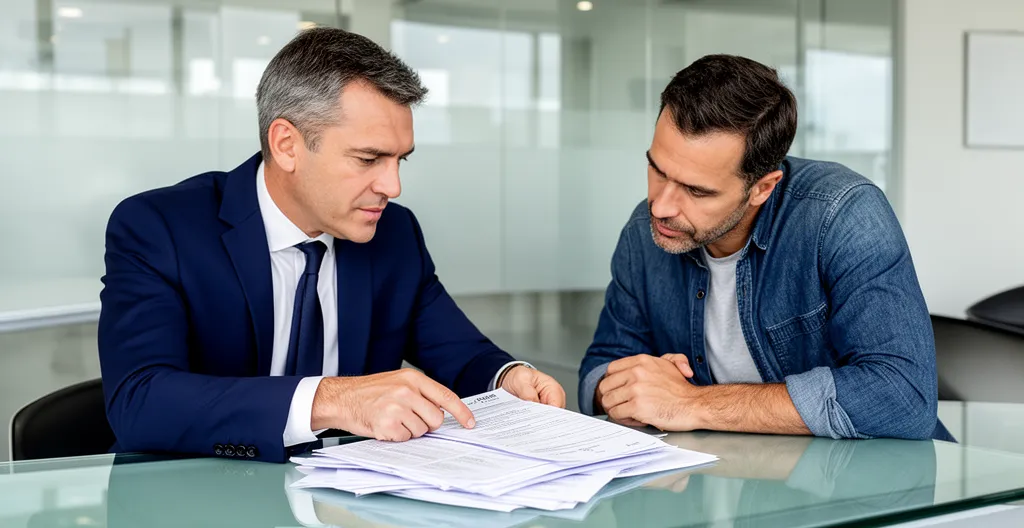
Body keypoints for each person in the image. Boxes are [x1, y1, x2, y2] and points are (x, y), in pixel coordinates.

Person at [98, 27, 565, 463]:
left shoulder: (394, 234)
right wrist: (332, 400)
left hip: (349, 498)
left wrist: (509, 379)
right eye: (369, 159)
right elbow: (140, 401)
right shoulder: (161, 228)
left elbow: (461, 355)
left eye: (401, 160)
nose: (393, 186)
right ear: (286, 145)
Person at [578, 54, 951, 441]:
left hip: (865, 484)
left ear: (762, 188)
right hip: (716, 479)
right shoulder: (646, 232)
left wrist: (690, 402)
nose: (661, 206)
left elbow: (903, 396)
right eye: (657, 169)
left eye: (696, 190)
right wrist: (629, 388)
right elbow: (602, 366)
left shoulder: (841, 215)